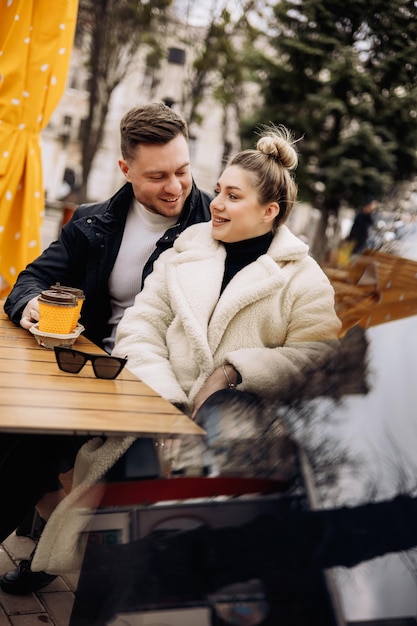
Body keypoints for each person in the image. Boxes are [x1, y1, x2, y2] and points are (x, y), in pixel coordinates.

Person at [0, 101, 212, 594]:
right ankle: (54, 531)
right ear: (126, 169)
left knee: (31, 446)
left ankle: (58, 541)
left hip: (157, 386)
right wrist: (31, 305)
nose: (176, 187)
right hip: (86, 373)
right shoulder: (93, 223)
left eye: (183, 170)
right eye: (158, 175)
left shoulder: (215, 229)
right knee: (15, 431)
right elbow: (29, 280)